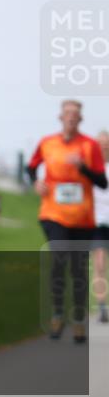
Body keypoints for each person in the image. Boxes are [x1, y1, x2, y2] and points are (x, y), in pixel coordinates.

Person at [26, 101, 107, 342]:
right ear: (60, 117)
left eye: (75, 115)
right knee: (59, 259)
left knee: (78, 269)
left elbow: (102, 182)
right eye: (67, 114)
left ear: (80, 119)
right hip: (53, 213)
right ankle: (58, 313)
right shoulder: (47, 143)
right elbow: (30, 167)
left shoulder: (90, 146)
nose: (71, 118)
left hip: (83, 218)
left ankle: (80, 318)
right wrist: (35, 181)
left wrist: (83, 168)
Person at [90, 130, 109, 323]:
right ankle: (102, 306)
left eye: (107, 143)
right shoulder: (91, 169)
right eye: (100, 143)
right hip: (97, 223)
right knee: (100, 264)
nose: (104, 145)